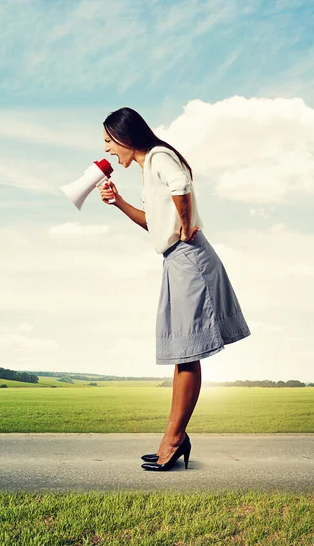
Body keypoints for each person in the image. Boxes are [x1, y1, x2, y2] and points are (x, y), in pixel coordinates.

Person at [98, 107, 250, 471]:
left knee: (186, 352)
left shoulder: (159, 157)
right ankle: (174, 437)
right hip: (175, 260)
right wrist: (119, 202)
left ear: (124, 137)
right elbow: (153, 223)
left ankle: (174, 438)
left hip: (188, 257)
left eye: (108, 142)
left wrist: (184, 225)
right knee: (183, 351)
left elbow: (181, 186)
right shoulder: (148, 169)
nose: (107, 150)